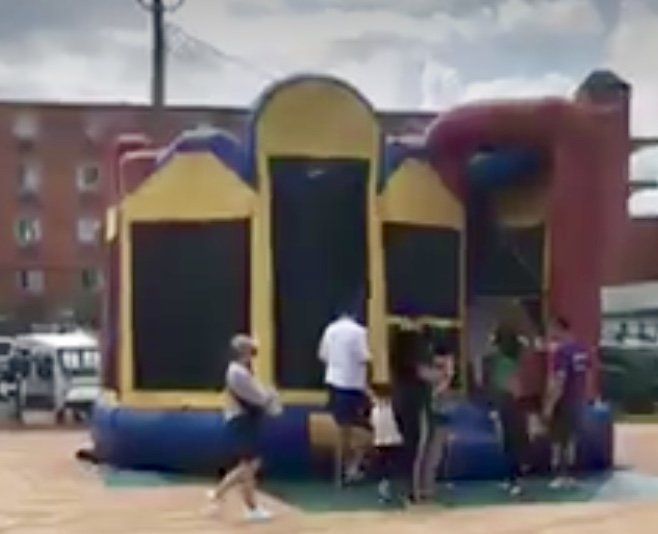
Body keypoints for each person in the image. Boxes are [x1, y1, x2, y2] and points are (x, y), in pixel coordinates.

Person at [207, 334, 282, 522]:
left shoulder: (241, 371)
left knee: (249, 464)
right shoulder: (237, 373)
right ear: (244, 352)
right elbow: (259, 398)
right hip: (242, 421)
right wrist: (271, 398)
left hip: (244, 420)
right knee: (249, 465)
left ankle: (219, 493)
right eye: (250, 350)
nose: (253, 353)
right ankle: (251, 508)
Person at [318, 309, 372, 487]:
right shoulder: (359, 331)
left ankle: (341, 472)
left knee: (343, 429)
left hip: (334, 383)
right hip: (353, 385)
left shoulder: (330, 329)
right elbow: (364, 357)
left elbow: (323, 355)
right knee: (365, 430)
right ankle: (352, 467)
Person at [543, 317, 591, 490]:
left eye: (551, 330)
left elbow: (559, 380)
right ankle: (570, 475)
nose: (549, 334)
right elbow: (587, 374)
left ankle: (561, 476)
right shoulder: (582, 349)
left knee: (559, 440)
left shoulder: (561, 352)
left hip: (565, 400)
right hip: (578, 399)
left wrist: (549, 405)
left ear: (559, 329)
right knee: (571, 439)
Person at [483, 325, 527, 496]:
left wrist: (496, 404)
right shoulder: (513, 358)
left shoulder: (500, 361)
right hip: (512, 402)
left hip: (507, 402)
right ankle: (513, 479)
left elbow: (506, 385)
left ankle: (514, 479)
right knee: (513, 442)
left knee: (510, 443)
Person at [413, 346, 457, 502]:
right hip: (429, 416)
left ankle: (428, 489)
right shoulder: (429, 375)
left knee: (435, 457)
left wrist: (447, 376)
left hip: (441, 417)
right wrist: (445, 377)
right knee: (427, 455)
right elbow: (432, 390)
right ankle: (421, 489)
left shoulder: (443, 378)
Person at [369, 382, 405, 505]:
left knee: (392, 468)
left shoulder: (393, 410)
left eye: (375, 397)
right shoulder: (374, 411)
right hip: (380, 443)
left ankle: (394, 491)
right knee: (383, 469)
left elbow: (400, 424)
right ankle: (384, 492)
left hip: (394, 442)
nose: (373, 400)